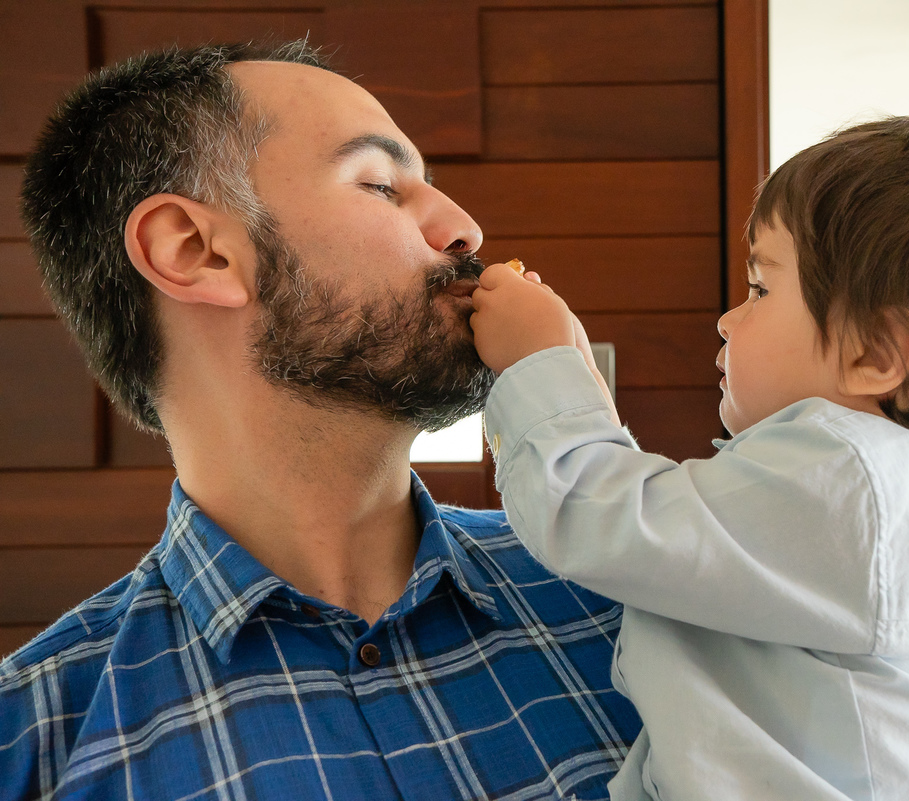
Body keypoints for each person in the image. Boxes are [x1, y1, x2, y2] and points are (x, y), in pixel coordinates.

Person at [0, 41, 638, 800]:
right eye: (380, 183)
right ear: (194, 250)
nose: (464, 228)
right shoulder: (34, 743)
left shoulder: (630, 593)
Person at [469, 116, 909, 800]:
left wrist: (536, 362)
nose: (727, 318)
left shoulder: (852, 478)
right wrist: (570, 378)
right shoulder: (865, 483)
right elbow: (662, 530)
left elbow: (596, 515)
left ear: (876, 353)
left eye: (761, 289)